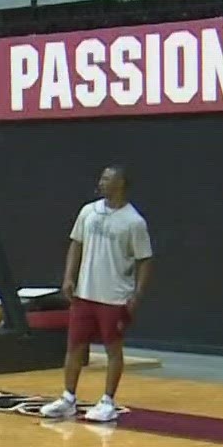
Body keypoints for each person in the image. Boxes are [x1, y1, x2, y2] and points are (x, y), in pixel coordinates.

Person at [43, 166, 153, 422]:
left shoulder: (134, 221)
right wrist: (69, 277)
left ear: (121, 183)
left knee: (113, 348)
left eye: (107, 178)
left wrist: (137, 294)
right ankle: (68, 398)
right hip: (85, 293)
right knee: (74, 346)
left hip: (114, 297)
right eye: (101, 178)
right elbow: (76, 243)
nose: (101, 182)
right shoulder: (88, 211)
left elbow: (145, 259)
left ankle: (107, 401)